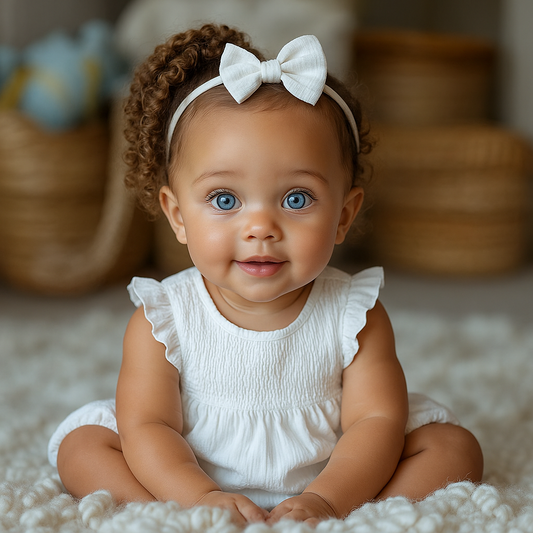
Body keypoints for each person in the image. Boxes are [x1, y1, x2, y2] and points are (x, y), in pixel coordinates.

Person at [48, 24, 483, 526]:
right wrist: (197, 497)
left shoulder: (355, 316)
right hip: (187, 475)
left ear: (343, 214)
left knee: (453, 448)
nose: (260, 228)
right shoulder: (163, 319)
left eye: (296, 199)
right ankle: (171, 516)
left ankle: (357, 517)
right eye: (225, 200)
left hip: (336, 475)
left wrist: (330, 499)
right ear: (177, 215)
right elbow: (149, 427)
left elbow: (374, 422)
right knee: (83, 447)